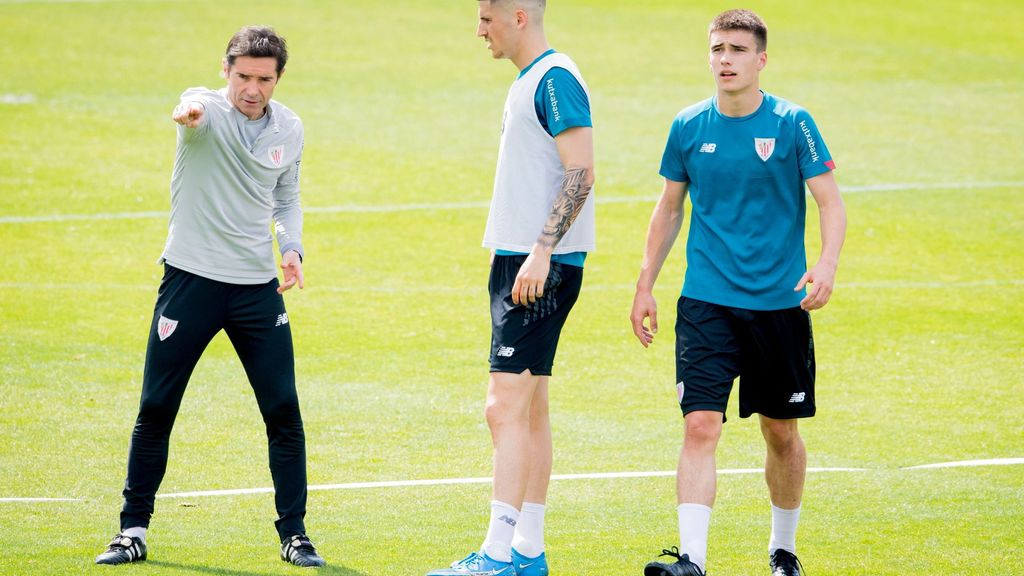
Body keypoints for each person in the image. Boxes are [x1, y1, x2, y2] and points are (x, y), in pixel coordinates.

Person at [94, 25, 325, 568]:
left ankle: (295, 534)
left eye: (263, 79)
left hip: (255, 291)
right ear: (226, 70)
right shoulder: (202, 111)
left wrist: (291, 248)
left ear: (278, 78)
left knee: (284, 411)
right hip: (191, 281)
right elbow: (189, 108)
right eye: (242, 76)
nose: (252, 88)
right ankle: (132, 531)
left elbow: (286, 196)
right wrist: (188, 116)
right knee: (156, 408)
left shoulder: (289, 128)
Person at [630, 9, 846, 576]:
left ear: (761, 59)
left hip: (779, 305)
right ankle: (692, 561)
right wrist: (645, 283)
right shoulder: (688, 126)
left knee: (781, 432)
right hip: (706, 301)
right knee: (701, 424)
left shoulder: (793, 122)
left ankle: (783, 549)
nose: (724, 59)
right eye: (717, 48)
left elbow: (830, 201)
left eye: (737, 50)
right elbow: (669, 208)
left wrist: (825, 264)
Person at [426, 1, 595, 575]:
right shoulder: (530, 81)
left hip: (538, 266)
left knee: (503, 408)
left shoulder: (555, 79)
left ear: (519, 16)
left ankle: (497, 554)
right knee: (529, 410)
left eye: (486, 19)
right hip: (522, 261)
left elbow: (582, 172)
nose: (479, 30)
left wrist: (541, 252)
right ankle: (527, 550)